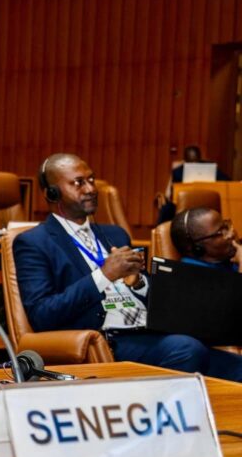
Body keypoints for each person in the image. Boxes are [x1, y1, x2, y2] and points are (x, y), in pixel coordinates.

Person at [14, 152, 242, 381]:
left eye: (91, 180)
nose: (91, 189)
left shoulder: (116, 234)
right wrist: (104, 276)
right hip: (106, 340)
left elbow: (150, 294)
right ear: (52, 193)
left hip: (151, 331)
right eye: (78, 183)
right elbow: (42, 314)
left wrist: (139, 283)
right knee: (186, 349)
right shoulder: (34, 242)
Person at [157, 145, 229, 223]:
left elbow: (227, 180)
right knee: (167, 208)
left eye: (196, 162)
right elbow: (173, 191)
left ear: (200, 159)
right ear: (185, 161)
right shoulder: (178, 172)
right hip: (185, 202)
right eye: (191, 162)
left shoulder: (211, 168)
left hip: (207, 201)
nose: (194, 164)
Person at [171, 207, 242, 272]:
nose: (231, 234)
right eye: (220, 232)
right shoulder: (191, 273)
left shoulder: (226, 258)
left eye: (226, 226)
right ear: (198, 249)